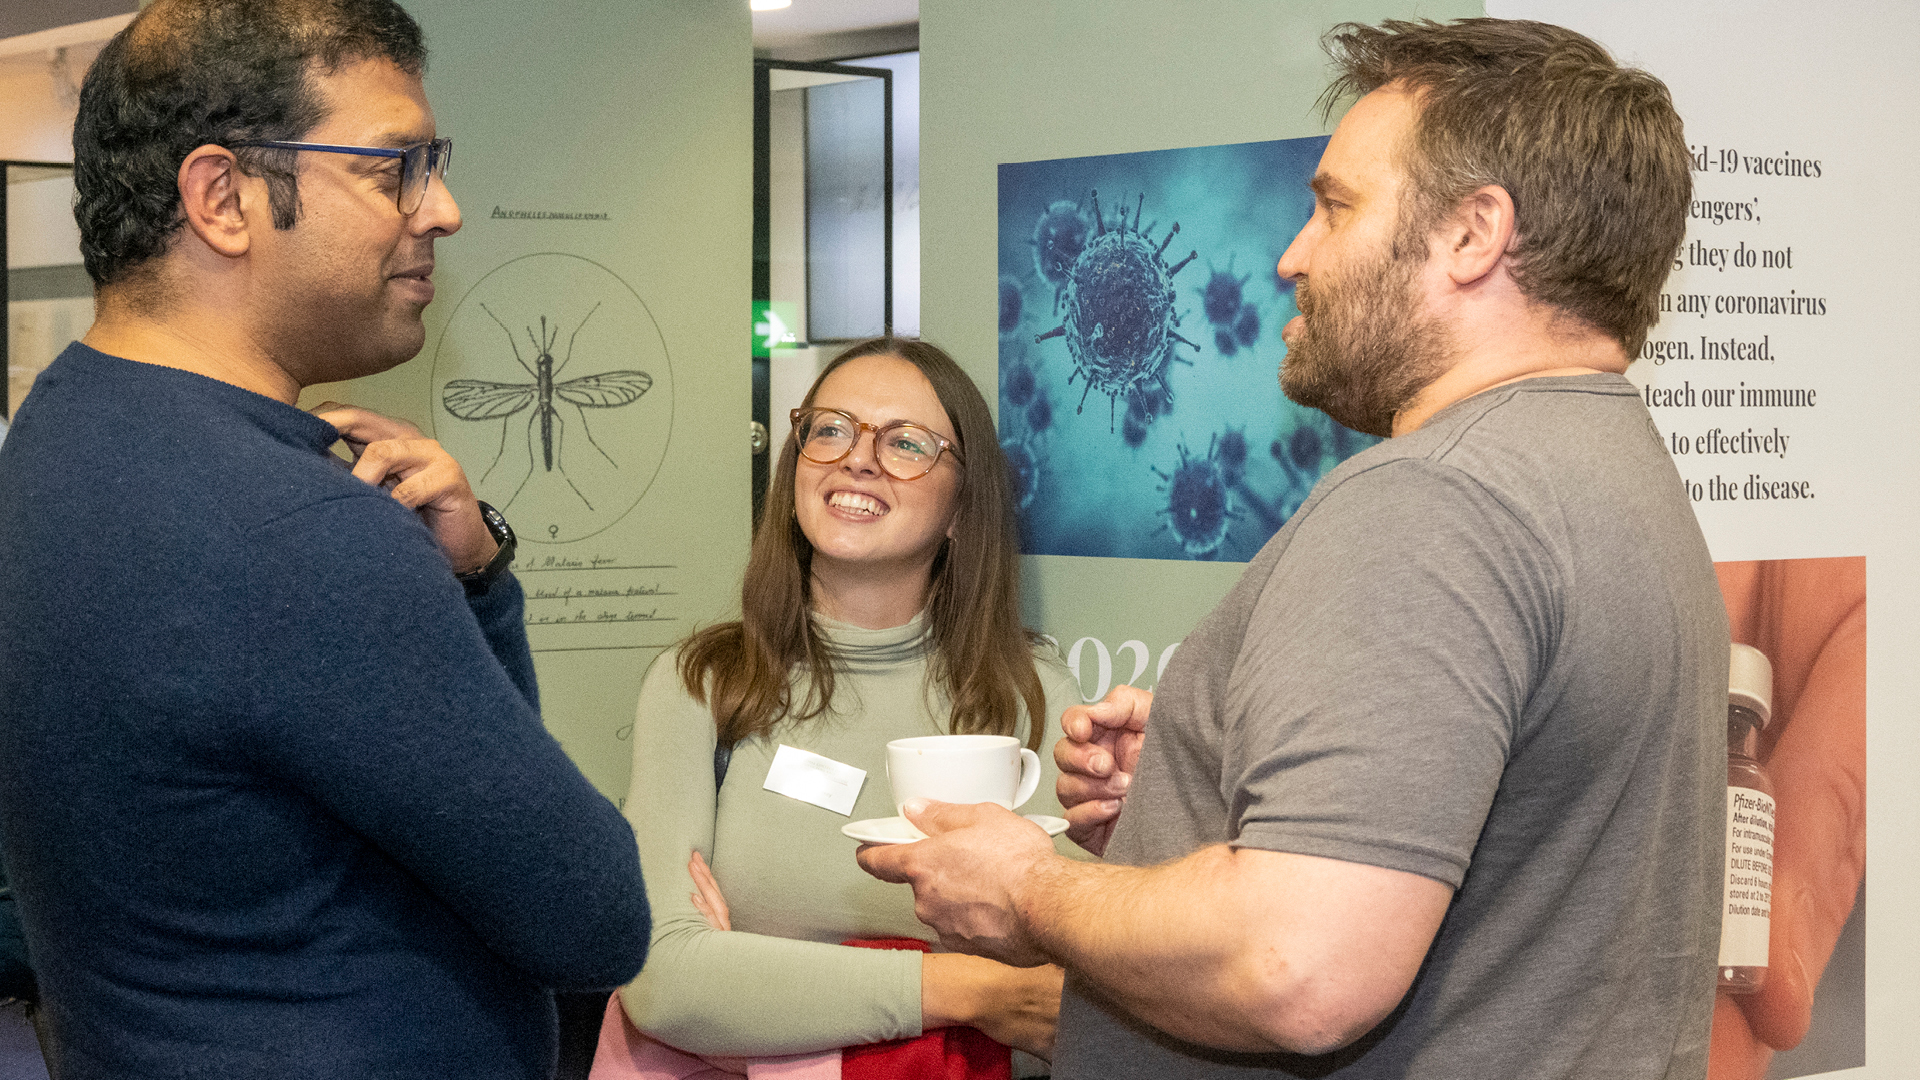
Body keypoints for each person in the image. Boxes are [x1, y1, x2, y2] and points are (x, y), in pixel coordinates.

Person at [859, 18, 1728, 1079]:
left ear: (1472, 233)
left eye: (1335, 206)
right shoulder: (1608, 462)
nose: (1291, 255)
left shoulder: (1431, 500)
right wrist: (1213, 789)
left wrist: (1029, 887)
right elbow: (1501, 850)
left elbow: (1301, 965)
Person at [0, 2, 649, 1077]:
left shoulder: (57, 433)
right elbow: (593, 919)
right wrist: (469, 588)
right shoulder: (298, 532)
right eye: (394, 165)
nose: (441, 208)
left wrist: (469, 580)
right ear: (223, 196)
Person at [612, 338, 1081, 1076]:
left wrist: (758, 984)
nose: (856, 458)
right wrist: (969, 989)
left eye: (906, 443)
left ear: (963, 506)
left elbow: (1063, 997)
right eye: (829, 429)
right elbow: (663, 982)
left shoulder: (1037, 698)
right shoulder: (704, 684)